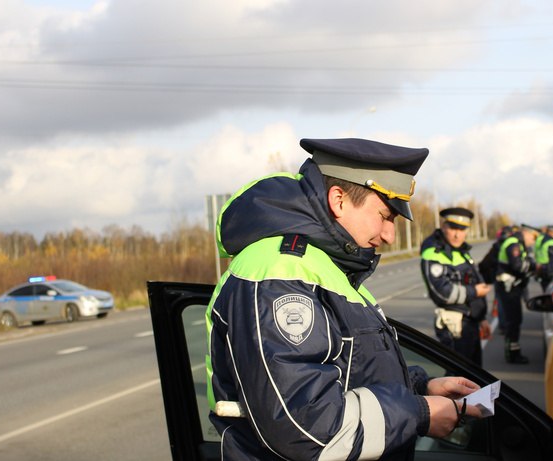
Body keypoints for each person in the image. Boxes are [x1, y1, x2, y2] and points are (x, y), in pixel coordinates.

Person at [205, 138, 483, 461]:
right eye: (385, 216)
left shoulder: (327, 267)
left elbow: (351, 370)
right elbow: (308, 427)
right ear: (338, 200)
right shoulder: (278, 274)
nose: (390, 235)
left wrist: (421, 387)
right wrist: (418, 413)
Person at [420, 207, 492, 366]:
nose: (457, 234)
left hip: (470, 322)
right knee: (458, 379)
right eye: (453, 228)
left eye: (462, 229)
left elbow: (473, 281)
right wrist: (475, 292)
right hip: (454, 326)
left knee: (474, 376)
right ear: (444, 226)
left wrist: (481, 318)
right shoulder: (433, 252)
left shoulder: (461, 251)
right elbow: (442, 293)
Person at [494, 225, 537, 364]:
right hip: (509, 289)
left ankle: (513, 351)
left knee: (515, 321)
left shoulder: (518, 243)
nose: (534, 241)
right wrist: (532, 263)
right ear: (525, 233)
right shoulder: (513, 244)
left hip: (513, 288)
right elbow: (519, 266)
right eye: (533, 237)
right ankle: (512, 354)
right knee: (513, 322)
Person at [534, 225, 553, 292]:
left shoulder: (541, 240)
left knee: (546, 291)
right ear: (552, 233)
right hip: (551, 271)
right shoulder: (552, 243)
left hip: (542, 270)